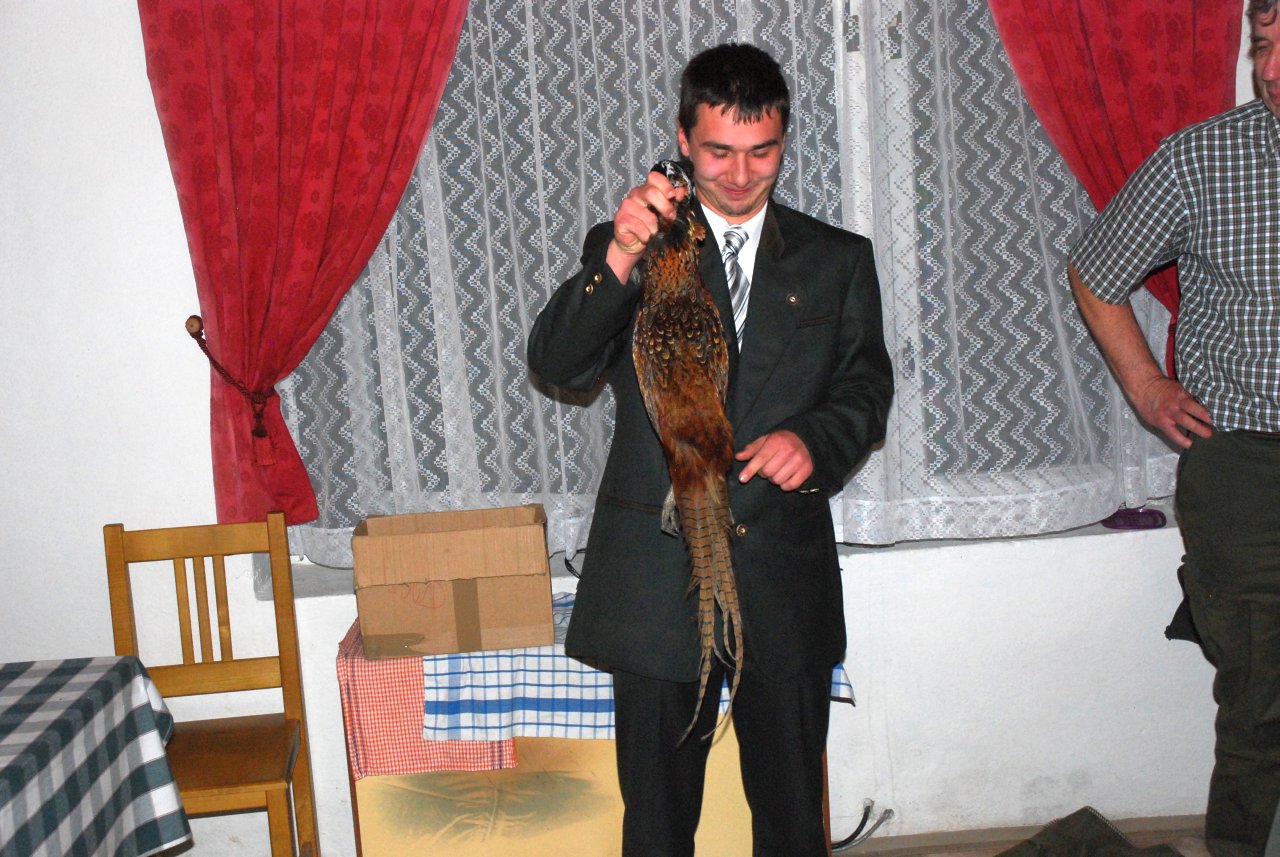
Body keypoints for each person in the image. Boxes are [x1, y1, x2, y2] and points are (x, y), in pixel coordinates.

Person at [527, 43, 893, 856]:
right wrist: (621, 254)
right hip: (658, 579)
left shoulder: (837, 260)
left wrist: (814, 439)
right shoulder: (637, 245)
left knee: (793, 821)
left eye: (762, 152)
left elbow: (867, 390)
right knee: (657, 825)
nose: (739, 174)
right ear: (683, 139)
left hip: (781, 577)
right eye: (719, 151)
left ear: (784, 140)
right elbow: (558, 363)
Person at [1068, 3, 1280, 854]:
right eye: (1263, 47)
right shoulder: (1201, 159)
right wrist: (1148, 385)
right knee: (1261, 699)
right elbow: (1096, 270)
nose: (1271, 71)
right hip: (1248, 475)